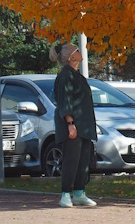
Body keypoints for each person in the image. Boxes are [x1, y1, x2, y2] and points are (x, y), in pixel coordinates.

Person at [50, 42, 98, 208]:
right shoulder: (65, 76)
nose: (80, 51)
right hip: (73, 125)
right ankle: (65, 194)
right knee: (72, 160)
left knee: (83, 161)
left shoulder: (77, 75)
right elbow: (65, 101)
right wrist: (70, 123)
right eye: (76, 50)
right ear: (71, 56)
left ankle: (79, 193)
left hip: (84, 126)